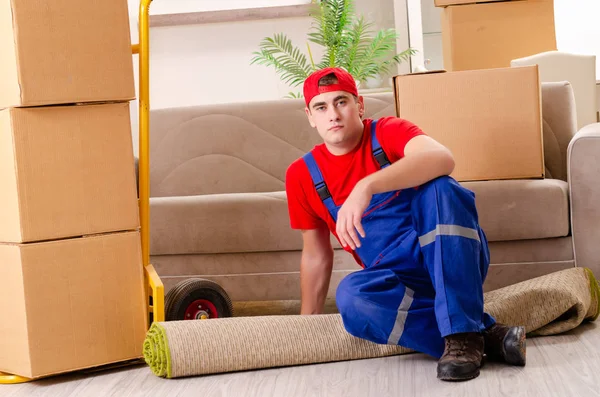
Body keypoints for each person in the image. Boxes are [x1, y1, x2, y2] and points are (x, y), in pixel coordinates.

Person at [284, 67, 527, 381]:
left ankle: (462, 329)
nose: (333, 114)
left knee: (442, 188)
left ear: (359, 104)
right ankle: (480, 336)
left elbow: (442, 158)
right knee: (351, 297)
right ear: (310, 116)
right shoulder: (302, 175)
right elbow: (316, 255)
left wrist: (366, 187)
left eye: (341, 102)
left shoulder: (387, 131)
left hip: (448, 255)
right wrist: (308, 326)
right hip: (396, 280)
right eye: (321, 107)